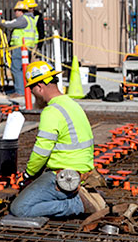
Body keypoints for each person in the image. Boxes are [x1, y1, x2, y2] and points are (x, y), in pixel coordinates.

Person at [10, 61, 106, 219]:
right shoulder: (72, 104)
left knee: (20, 208)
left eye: (32, 90)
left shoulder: (51, 111)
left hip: (64, 175)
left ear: (40, 87)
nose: (33, 95)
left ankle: (79, 204)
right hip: (82, 172)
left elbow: (41, 151)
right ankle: (84, 195)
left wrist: (28, 175)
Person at [0, 0, 38, 95]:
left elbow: (9, 24)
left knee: (16, 68)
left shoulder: (23, 19)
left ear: (21, 11)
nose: (15, 13)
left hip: (21, 47)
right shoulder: (31, 19)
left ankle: (20, 91)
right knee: (23, 69)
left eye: (16, 11)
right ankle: (24, 89)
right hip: (27, 47)